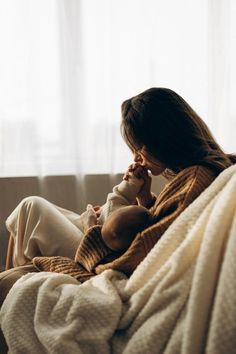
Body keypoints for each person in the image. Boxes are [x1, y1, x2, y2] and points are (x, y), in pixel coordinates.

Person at [4, 87, 236, 274]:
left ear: (161, 141)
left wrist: (90, 229)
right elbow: (160, 227)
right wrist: (144, 199)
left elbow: (142, 254)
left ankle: (12, 285)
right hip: (105, 243)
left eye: (138, 148)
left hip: (101, 252)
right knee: (30, 214)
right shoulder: (201, 172)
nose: (137, 158)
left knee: (30, 208)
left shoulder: (194, 179)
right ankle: (14, 279)